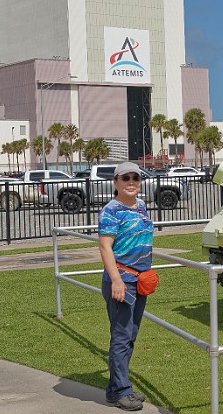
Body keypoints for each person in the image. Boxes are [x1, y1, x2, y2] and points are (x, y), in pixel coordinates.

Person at [98, 161, 153, 411]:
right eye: (125, 178)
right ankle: (122, 391)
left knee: (130, 335)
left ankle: (115, 389)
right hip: (122, 281)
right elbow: (105, 247)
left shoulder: (140, 205)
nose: (131, 182)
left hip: (139, 281)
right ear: (116, 182)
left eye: (136, 178)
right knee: (121, 336)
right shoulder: (111, 210)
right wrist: (117, 280)